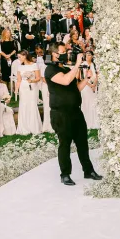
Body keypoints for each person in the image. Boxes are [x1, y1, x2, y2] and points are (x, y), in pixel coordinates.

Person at [45, 44, 103, 186]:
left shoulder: (65, 69)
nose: (66, 54)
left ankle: (88, 171)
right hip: (61, 114)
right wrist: (77, 64)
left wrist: (86, 79)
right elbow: (65, 80)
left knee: (83, 143)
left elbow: (75, 87)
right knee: (65, 144)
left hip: (76, 112)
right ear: (54, 54)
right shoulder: (50, 70)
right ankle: (65, 174)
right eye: (63, 52)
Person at [15, 51, 43, 135]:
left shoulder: (34, 65)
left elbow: (38, 78)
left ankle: (34, 127)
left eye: (19, 57)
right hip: (23, 88)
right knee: (23, 105)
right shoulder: (20, 67)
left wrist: (31, 80)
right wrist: (16, 89)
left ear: (25, 56)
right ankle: (24, 127)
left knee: (32, 104)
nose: (18, 59)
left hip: (32, 87)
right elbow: (19, 79)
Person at [80, 51, 100, 130]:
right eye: (87, 55)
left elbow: (97, 75)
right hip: (85, 86)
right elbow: (81, 78)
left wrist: (94, 84)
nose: (88, 56)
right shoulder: (82, 65)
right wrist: (89, 85)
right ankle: (86, 121)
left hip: (94, 86)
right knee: (86, 103)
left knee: (93, 103)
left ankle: (94, 121)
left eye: (90, 55)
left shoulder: (94, 65)